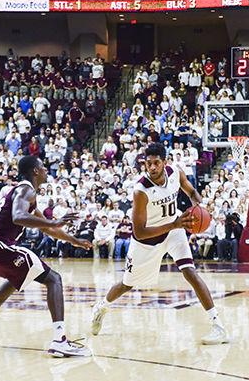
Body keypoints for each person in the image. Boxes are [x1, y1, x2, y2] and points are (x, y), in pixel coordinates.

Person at [91, 143, 229, 345]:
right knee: (127, 284)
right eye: (148, 164)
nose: (152, 168)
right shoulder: (141, 190)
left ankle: (217, 325)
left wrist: (200, 206)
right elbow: (139, 231)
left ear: (165, 162)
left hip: (174, 230)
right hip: (147, 241)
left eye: (156, 163)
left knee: (190, 272)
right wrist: (174, 223)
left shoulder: (175, 173)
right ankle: (101, 307)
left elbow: (191, 193)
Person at [0, 155, 92, 358]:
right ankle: (59, 340)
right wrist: (55, 222)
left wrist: (74, 240)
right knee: (54, 279)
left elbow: (47, 227)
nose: (45, 171)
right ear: (35, 171)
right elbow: (18, 217)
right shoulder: (26, 189)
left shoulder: (26, 194)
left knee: (17, 278)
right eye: (42, 167)